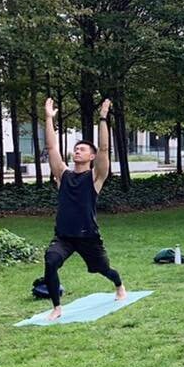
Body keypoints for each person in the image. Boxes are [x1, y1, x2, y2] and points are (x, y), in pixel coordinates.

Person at [40, 96, 127, 320]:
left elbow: (105, 149)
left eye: (82, 149)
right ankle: (57, 307)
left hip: (88, 237)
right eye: (76, 149)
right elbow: (51, 147)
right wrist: (48, 118)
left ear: (91, 156)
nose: (77, 151)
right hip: (64, 237)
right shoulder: (63, 175)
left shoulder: (95, 178)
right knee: (50, 261)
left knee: (102, 269)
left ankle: (118, 284)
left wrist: (103, 118)